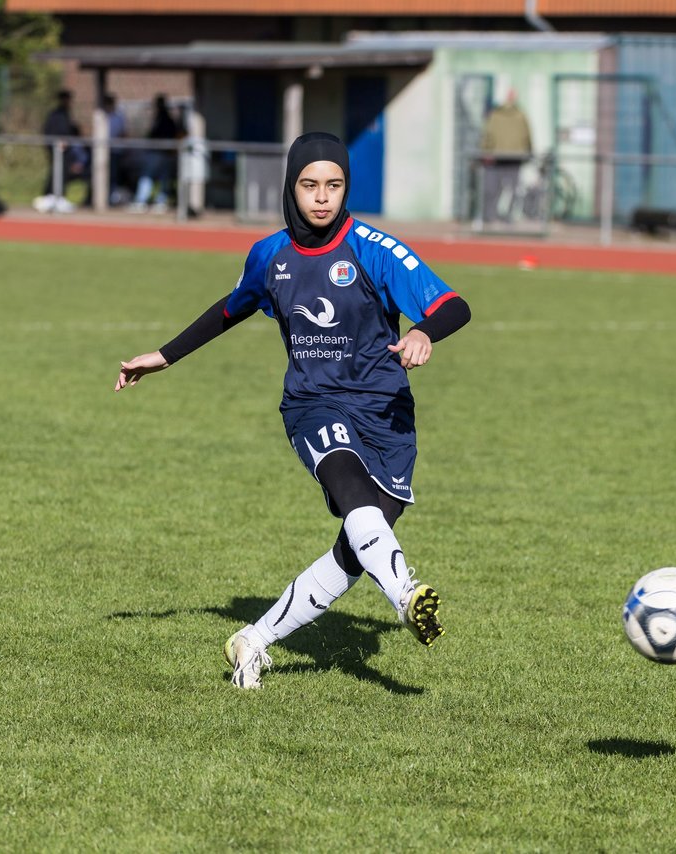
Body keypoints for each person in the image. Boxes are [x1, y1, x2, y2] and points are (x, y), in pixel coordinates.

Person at [114, 132, 472, 690]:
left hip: (386, 413)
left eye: (334, 185)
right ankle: (406, 594)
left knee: (356, 549)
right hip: (312, 403)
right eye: (310, 185)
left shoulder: (376, 249)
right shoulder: (270, 254)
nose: (322, 197)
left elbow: (454, 305)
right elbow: (229, 309)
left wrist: (424, 331)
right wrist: (165, 355)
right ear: (291, 187)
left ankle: (252, 641)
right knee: (352, 495)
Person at [479, 89, 533, 223]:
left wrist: (485, 150)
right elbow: (527, 136)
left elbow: (488, 136)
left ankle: (491, 216)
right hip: (514, 157)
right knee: (513, 188)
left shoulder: (495, 115)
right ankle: (507, 216)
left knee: (495, 188)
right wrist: (529, 152)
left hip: (499, 156)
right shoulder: (521, 115)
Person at [38, 89, 90, 211]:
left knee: (63, 172)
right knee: (56, 172)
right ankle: (51, 196)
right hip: (57, 150)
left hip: (65, 151)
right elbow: (51, 131)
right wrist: (54, 144)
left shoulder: (66, 114)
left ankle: (58, 196)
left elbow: (72, 130)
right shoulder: (56, 115)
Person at [128, 94, 180, 213]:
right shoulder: (163, 118)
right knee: (160, 178)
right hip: (162, 153)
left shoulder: (164, 119)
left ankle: (144, 201)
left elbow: (157, 134)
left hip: (160, 153)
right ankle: (158, 201)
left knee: (148, 176)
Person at [101, 93, 128, 205]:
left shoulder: (119, 116)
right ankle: (103, 197)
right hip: (103, 152)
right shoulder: (102, 116)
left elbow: (123, 133)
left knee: (114, 176)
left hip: (116, 151)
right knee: (104, 175)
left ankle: (112, 198)